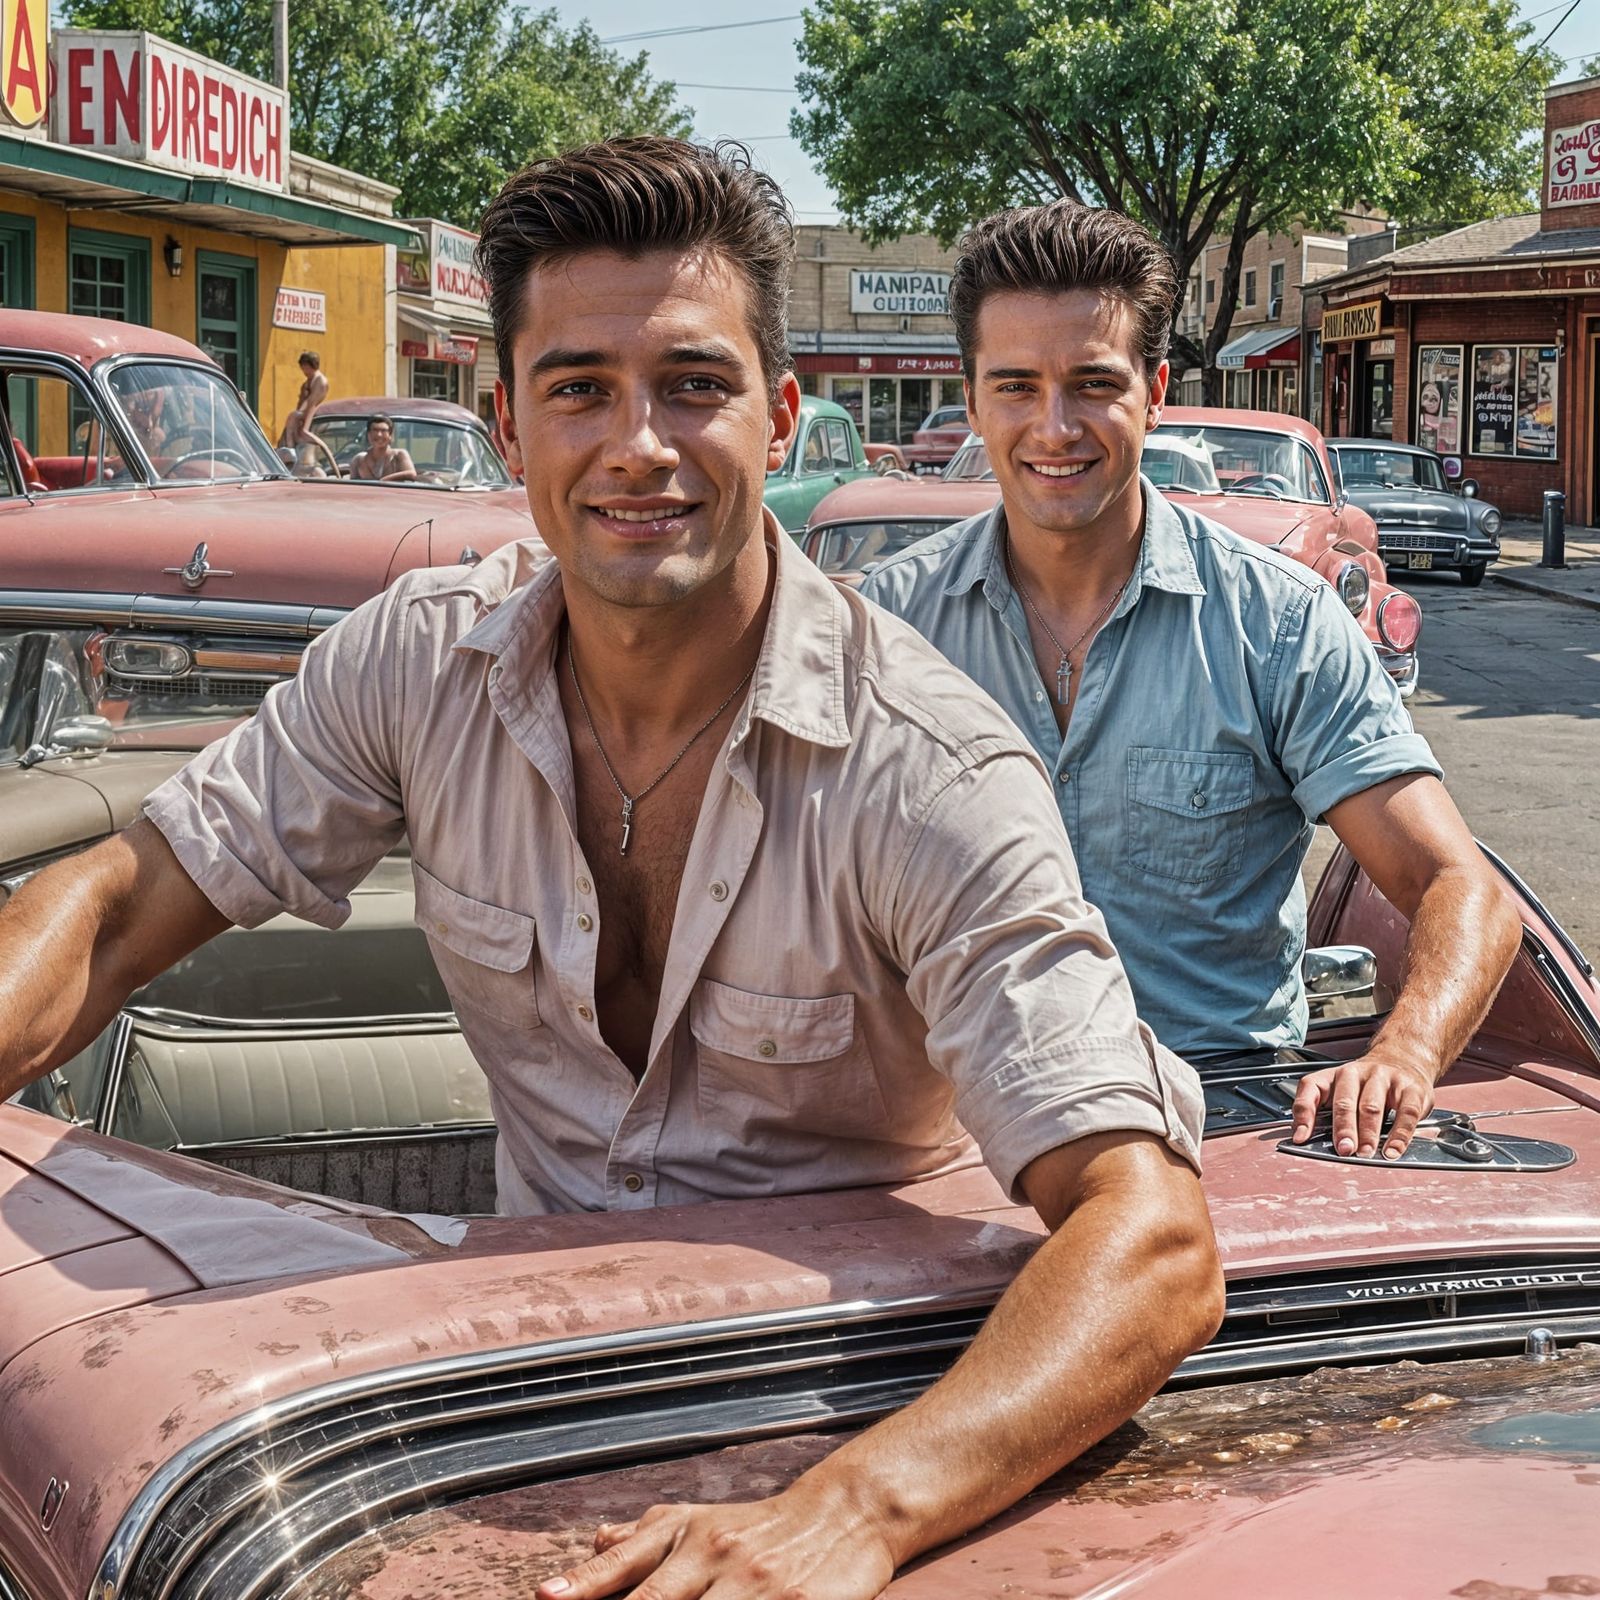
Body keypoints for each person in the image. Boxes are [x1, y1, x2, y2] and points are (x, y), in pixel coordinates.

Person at [0, 140, 1222, 1600]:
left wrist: (856, 1511)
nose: (640, 444)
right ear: (508, 427)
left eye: (693, 385)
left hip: (873, 1414)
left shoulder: (927, 768)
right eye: (580, 389)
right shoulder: (417, 664)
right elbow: (121, 903)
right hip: (502, 1402)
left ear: (778, 416)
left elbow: (1152, 1240)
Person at [863, 201, 1522, 1166]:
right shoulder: (885, 628)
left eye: (1094, 383)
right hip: (945, 1142)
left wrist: (1402, 1056)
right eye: (1016, 386)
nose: (1055, 426)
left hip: (1224, 1123)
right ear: (972, 400)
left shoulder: (1280, 623)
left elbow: (1460, 884)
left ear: (1155, 391)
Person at [279, 349, 329, 468]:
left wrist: (304, 425)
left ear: (311, 365)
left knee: (293, 416)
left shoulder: (320, 381)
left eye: (305, 367)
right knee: (291, 422)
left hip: (312, 415)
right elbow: (301, 402)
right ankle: (288, 449)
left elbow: (312, 403)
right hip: (304, 414)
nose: (304, 371)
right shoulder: (307, 382)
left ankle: (290, 449)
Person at [349, 412, 418, 481]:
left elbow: (411, 474)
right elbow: (352, 484)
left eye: (383, 430)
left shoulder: (399, 455)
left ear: (390, 435)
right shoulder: (359, 460)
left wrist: (384, 480)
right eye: (375, 430)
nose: (379, 435)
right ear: (368, 434)